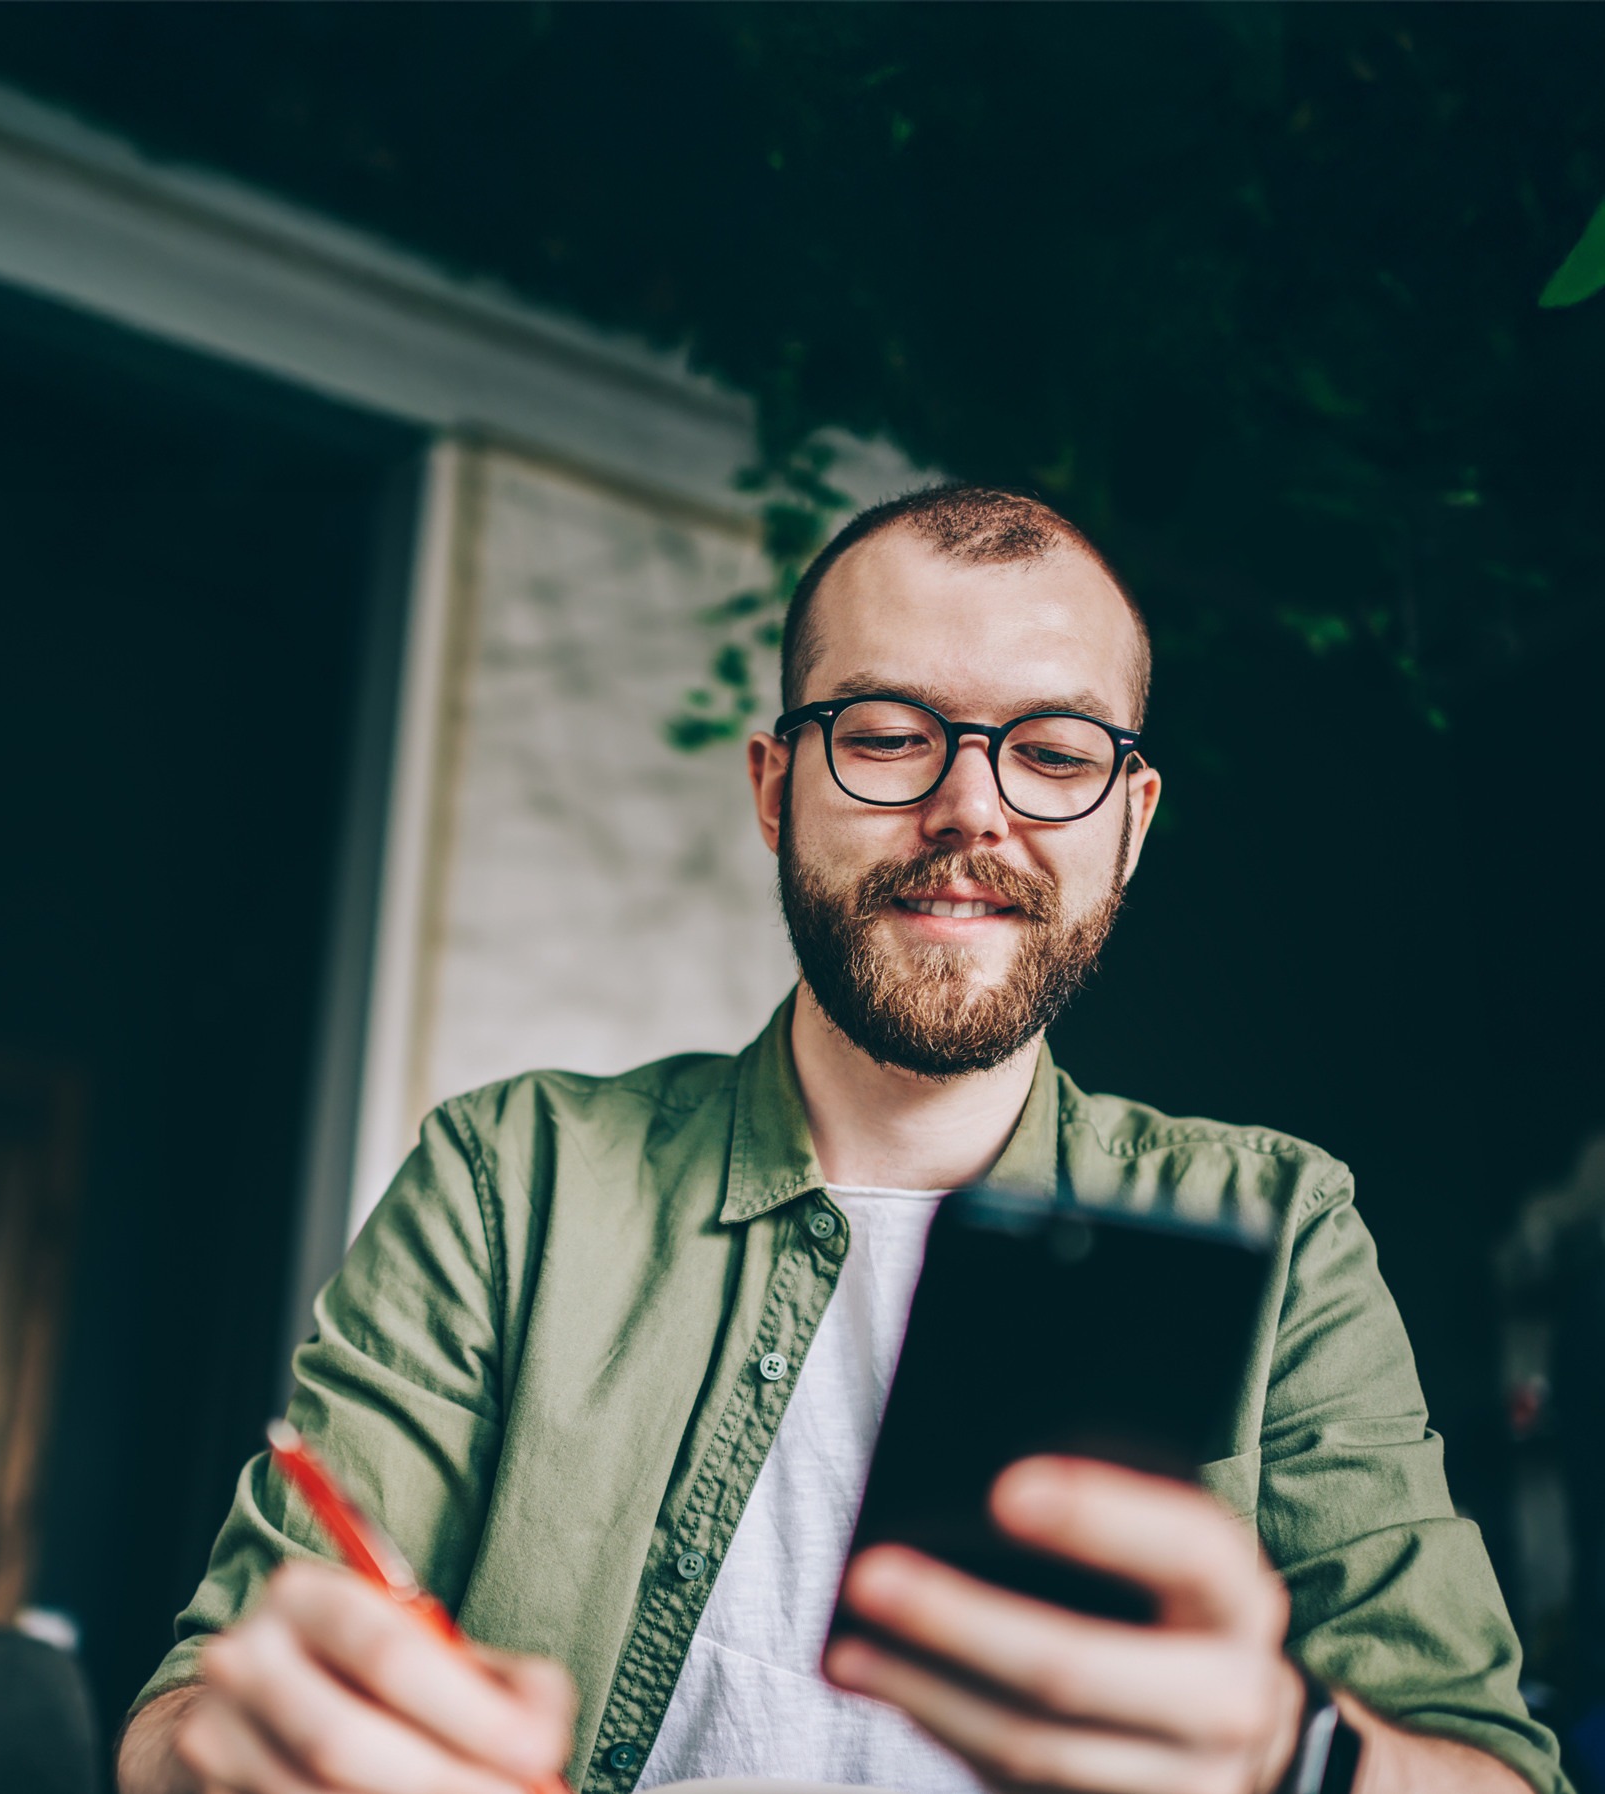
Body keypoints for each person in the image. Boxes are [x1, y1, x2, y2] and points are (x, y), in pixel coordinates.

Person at [119, 487, 1569, 1794]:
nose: (970, 809)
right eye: (885, 736)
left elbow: (1494, 1773)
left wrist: (1285, 1755)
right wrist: (241, 1757)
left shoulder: (1284, 1228)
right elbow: (186, 1715)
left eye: (1053, 752)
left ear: (1128, 825)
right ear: (774, 787)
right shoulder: (509, 1176)